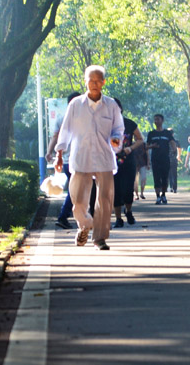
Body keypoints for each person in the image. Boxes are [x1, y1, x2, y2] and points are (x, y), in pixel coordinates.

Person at [54, 65, 124, 251]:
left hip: (104, 158)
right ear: (85, 81)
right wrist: (59, 154)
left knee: (105, 199)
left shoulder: (111, 106)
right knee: (77, 199)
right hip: (81, 158)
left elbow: (119, 128)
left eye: (97, 81)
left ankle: (99, 239)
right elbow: (66, 130)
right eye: (90, 80)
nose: (94, 84)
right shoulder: (76, 105)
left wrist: (116, 139)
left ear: (103, 82)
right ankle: (85, 225)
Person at [47, 92, 82, 229]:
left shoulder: (61, 118)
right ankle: (64, 215)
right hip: (78, 159)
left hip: (66, 160)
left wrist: (50, 152)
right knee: (76, 189)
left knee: (77, 188)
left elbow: (55, 137)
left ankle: (73, 215)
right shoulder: (82, 117)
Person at [112, 99, 144, 228]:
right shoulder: (106, 124)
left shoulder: (129, 124)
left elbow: (140, 139)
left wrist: (130, 148)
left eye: (116, 107)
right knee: (115, 190)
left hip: (128, 161)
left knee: (128, 189)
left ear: (121, 108)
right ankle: (118, 218)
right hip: (112, 163)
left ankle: (129, 211)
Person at [145, 114, 176, 204]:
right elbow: (146, 146)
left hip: (165, 159)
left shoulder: (167, 133)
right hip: (155, 159)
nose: (156, 121)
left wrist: (174, 150)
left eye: (158, 119)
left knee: (165, 178)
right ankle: (158, 196)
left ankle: (163, 195)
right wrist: (152, 146)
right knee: (156, 178)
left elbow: (172, 141)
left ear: (162, 121)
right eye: (155, 120)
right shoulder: (151, 133)